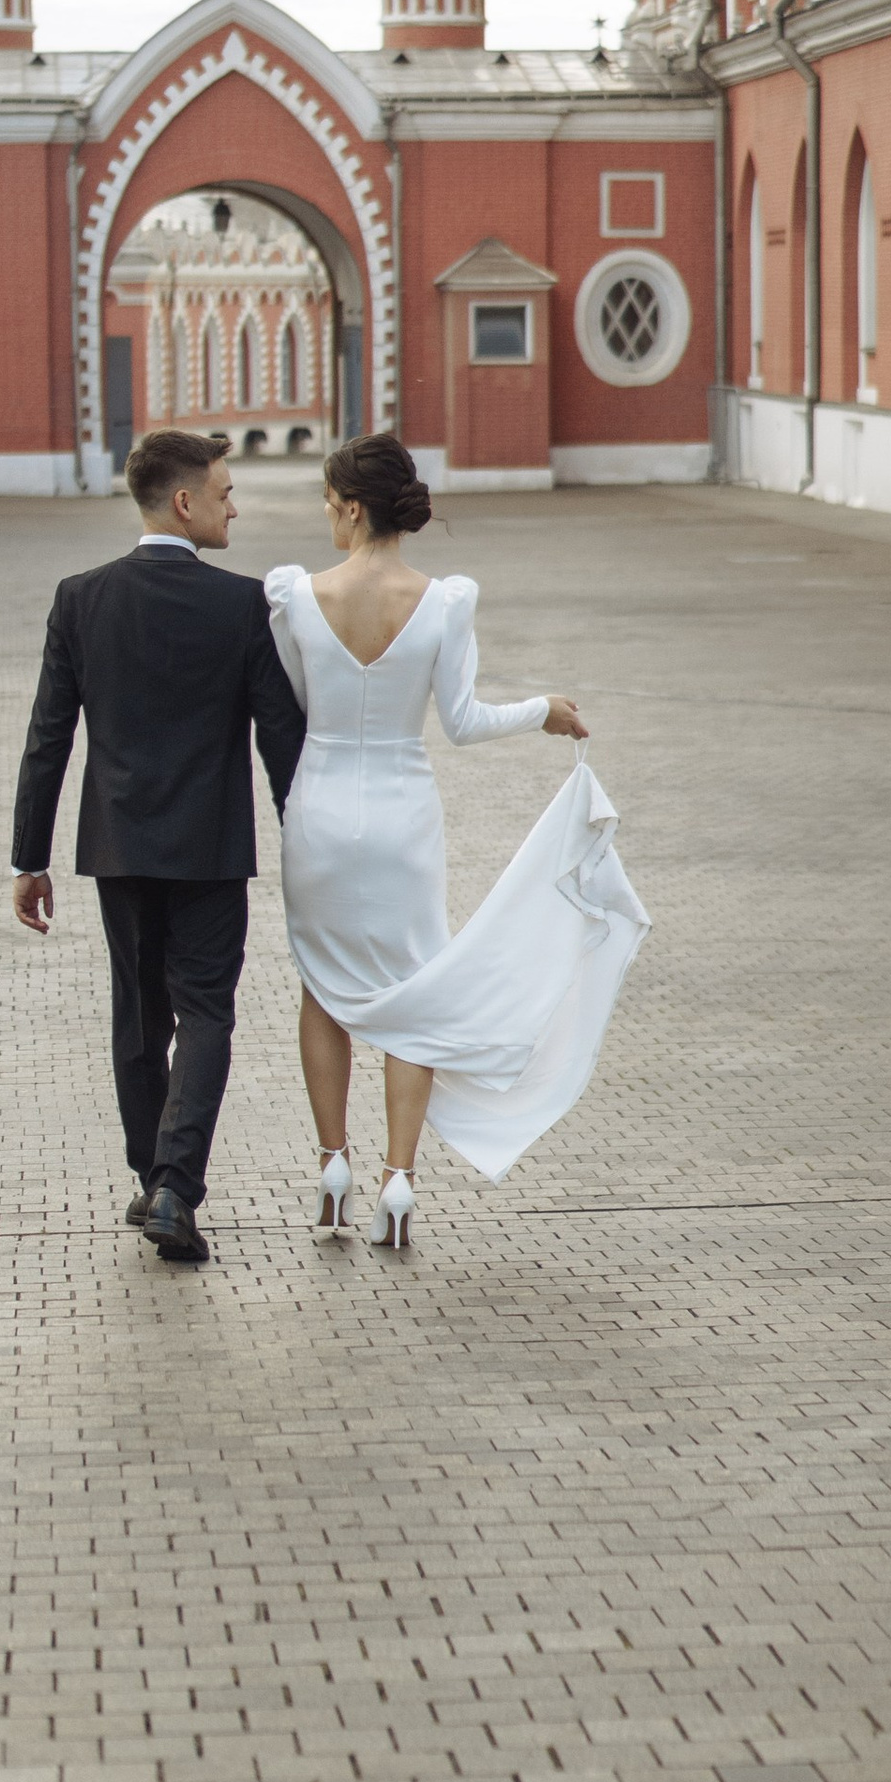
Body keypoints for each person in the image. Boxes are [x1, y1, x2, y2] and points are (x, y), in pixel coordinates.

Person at [262, 432, 647, 1251]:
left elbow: (295, 705)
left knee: (322, 990)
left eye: (331, 505)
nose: (327, 519)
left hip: (321, 808)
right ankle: (399, 1181)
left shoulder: (295, 597)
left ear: (354, 507)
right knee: (415, 987)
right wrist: (540, 707)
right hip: (405, 815)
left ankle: (334, 1166)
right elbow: (463, 723)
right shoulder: (442, 602)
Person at [12, 427, 305, 1267]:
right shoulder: (244, 605)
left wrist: (28, 857)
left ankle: (156, 1179)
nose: (234, 505)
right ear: (184, 502)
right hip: (211, 849)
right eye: (223, 492)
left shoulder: (80, 598)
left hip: (120, 846)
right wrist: (310, 839)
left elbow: (47, 739)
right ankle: (174, 1184)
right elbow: (280, 742)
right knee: (208, 1012)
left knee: (139, 1017)